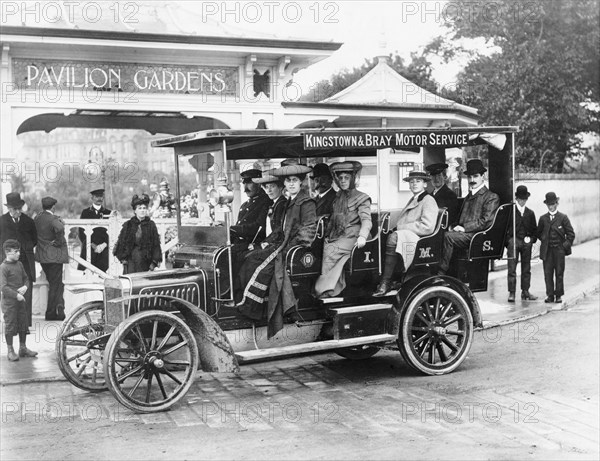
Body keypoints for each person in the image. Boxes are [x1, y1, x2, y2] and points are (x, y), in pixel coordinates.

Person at [236, 164, 317, 338]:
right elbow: (280, 230)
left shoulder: (306, 202)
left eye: (295, 180)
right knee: (253, 257)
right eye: (288, 180)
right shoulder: (289, 202)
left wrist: (287, 247)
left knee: (258, 263)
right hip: (282, 244)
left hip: (293, 249)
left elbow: (308, 231)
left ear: (301, 182)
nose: (291, 184)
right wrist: (266, 242)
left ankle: (255, 308)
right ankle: (252, 305)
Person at [373, 171, 438, 296]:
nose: (414, 184)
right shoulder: (414, 199)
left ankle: (386, 282)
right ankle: (390, 278)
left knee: (393, 237)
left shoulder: (428, 200)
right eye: (412, 182)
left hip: (420, 239)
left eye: (418, 181)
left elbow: (427, 227)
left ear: (425, 184)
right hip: (409, 236)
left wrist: (401, 228)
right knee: (384, 236)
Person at [314, 161, 372, 298]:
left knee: (331, 249)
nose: (343, 181)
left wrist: (363, 236)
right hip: (340, 235)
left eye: (347, 178)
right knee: (323, 244)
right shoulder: (337, 197)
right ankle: (328, 287)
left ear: (353, 178)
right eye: (340, 178)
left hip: (355, 237)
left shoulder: (362, 197)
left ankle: (327, 290)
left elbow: (366, 220)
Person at [438, 159, 500, 275]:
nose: (472, 180)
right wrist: (453, 227)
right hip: (465, 234)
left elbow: (485, 222)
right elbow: (461, 218)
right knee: (442, 233)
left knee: (448, 237)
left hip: (477, 236)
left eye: (475, 176)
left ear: (483, 176)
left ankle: (441, 272)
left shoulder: (491, 197)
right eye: (470, 177)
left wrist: (464, 228)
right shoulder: (469, 196)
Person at [235, 174, 288, 306]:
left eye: (273, 187)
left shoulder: (282, 204)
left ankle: (252, 303)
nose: (269, 190)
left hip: (278, 245)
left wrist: (265, 243)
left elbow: (279, 231)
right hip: (270, 242)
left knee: (251, 260)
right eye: (267, 187)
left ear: (281, 187)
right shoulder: (275, 204)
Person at [0, 192, 37, 327]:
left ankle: (24, 325)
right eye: (15, 209)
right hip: (7, 263)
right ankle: (11, 324)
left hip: (25, 262)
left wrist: (23, 252)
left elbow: (34, 240)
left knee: (26, 291)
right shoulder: (2, 221)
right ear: (9, 208)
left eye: (19, 208)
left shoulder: (29, 221)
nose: (18, 211)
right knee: (9, 292)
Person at [1, 240, 38, 361]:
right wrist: (16, 295)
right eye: (16, 251)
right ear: (8, 252)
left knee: (23, 323)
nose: (18, 254)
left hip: (21, 301)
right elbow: (3, 287)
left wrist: (25, 286)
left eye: (19, 251)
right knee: (10, 325)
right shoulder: (3, 267)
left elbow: (26, 278)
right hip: (9, 303)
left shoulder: (20, 265)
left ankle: (23, 348)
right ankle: (10, 350)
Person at [536, 192, 575, 304]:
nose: (550, 206)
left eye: (552, 204)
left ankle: (558, 295)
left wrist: (564, 246)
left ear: (557, 204)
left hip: (559, 250)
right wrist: (544, 238)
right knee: (548, 274)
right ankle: (550, 295)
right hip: (547, 251)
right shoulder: (543, 219)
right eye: (548, 204)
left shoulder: (563, 218)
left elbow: (571, 234)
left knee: (559, 273)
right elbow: (538, 233)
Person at [34, 196, 69, 321]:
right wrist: (59, 242)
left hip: (43, 256)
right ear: (53, 207)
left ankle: (58, 311)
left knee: (56, 284)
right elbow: (59, 228)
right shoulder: (53, 218)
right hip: (54, 256)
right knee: (56, 285)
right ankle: (51, 313)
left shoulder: (37, 218)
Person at [113, 194, 162, 274]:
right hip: (131, 261)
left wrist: (154, 262)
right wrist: (123, 259)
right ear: (135, 211)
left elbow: (156, 245)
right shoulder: (128, 225)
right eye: (139, 208)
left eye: (144, 208)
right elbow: (121, 243)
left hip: (146, 262)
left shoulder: (151, 225)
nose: (142, 210)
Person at [507, 185, 538, 302]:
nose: (522, 201)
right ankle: (512, 292)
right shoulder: (511, 212)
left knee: (526, 268)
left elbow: (535, 231)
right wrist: (509, 241)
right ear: (516, 198)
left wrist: (531, 240)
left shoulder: (530, 213)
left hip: (526, 243)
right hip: (513, 242)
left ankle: (525, 291)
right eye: (520, 199)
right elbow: (504, 229)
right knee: (511, 268)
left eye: (524, 199)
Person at [230, 169, 271, 245]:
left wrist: (233, 228)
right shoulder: (244, 205)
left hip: (255, 245)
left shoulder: (266, 202)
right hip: (241, 243)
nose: (245, 188)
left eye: (249, 183)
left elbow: (258, 227)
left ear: (259, 184)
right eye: (244, 184)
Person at [78, 188, 112, 273]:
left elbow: (112, 231)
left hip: (103, 248)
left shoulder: (108, 212)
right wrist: (91, 244)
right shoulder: (85, 212)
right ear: (92, 198)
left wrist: (104, 244)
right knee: (86, 271)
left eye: (101, 196)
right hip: (89, 245)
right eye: (97, 196)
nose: (99, 199)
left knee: (102, 272)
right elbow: (81, 232)